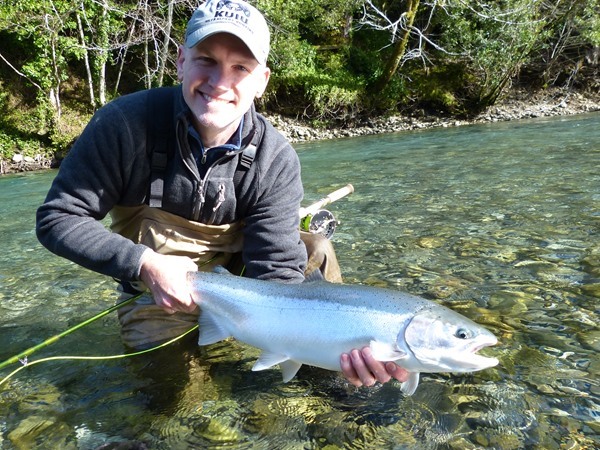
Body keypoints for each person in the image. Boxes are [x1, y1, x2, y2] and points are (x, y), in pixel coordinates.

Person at [36, 0, 407, 388]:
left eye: (240, 68)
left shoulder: (274, 157)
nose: (219, 83)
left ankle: (329, 380)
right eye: (206, 60)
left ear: (262, 80)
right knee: (171, 405)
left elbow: (277, 273)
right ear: (181, 61)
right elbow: (58, 218)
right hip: (156, 287)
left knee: (315, 249)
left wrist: (331, 345)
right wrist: (143, 263)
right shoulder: (124, 126)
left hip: (245, 280)